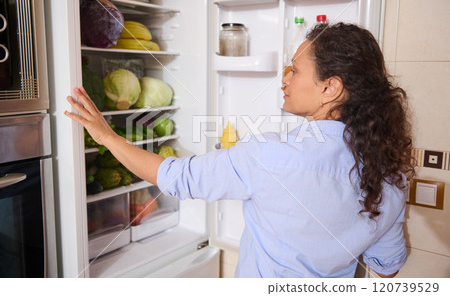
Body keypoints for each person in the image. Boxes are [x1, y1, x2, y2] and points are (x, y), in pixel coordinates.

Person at [65, 23, 414, 278]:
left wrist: (107, 136)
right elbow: (387, 267)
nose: (285, 79)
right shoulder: (391, 176)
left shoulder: (269, 156)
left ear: (330, 88)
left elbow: (175, 177)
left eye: (295, 69)